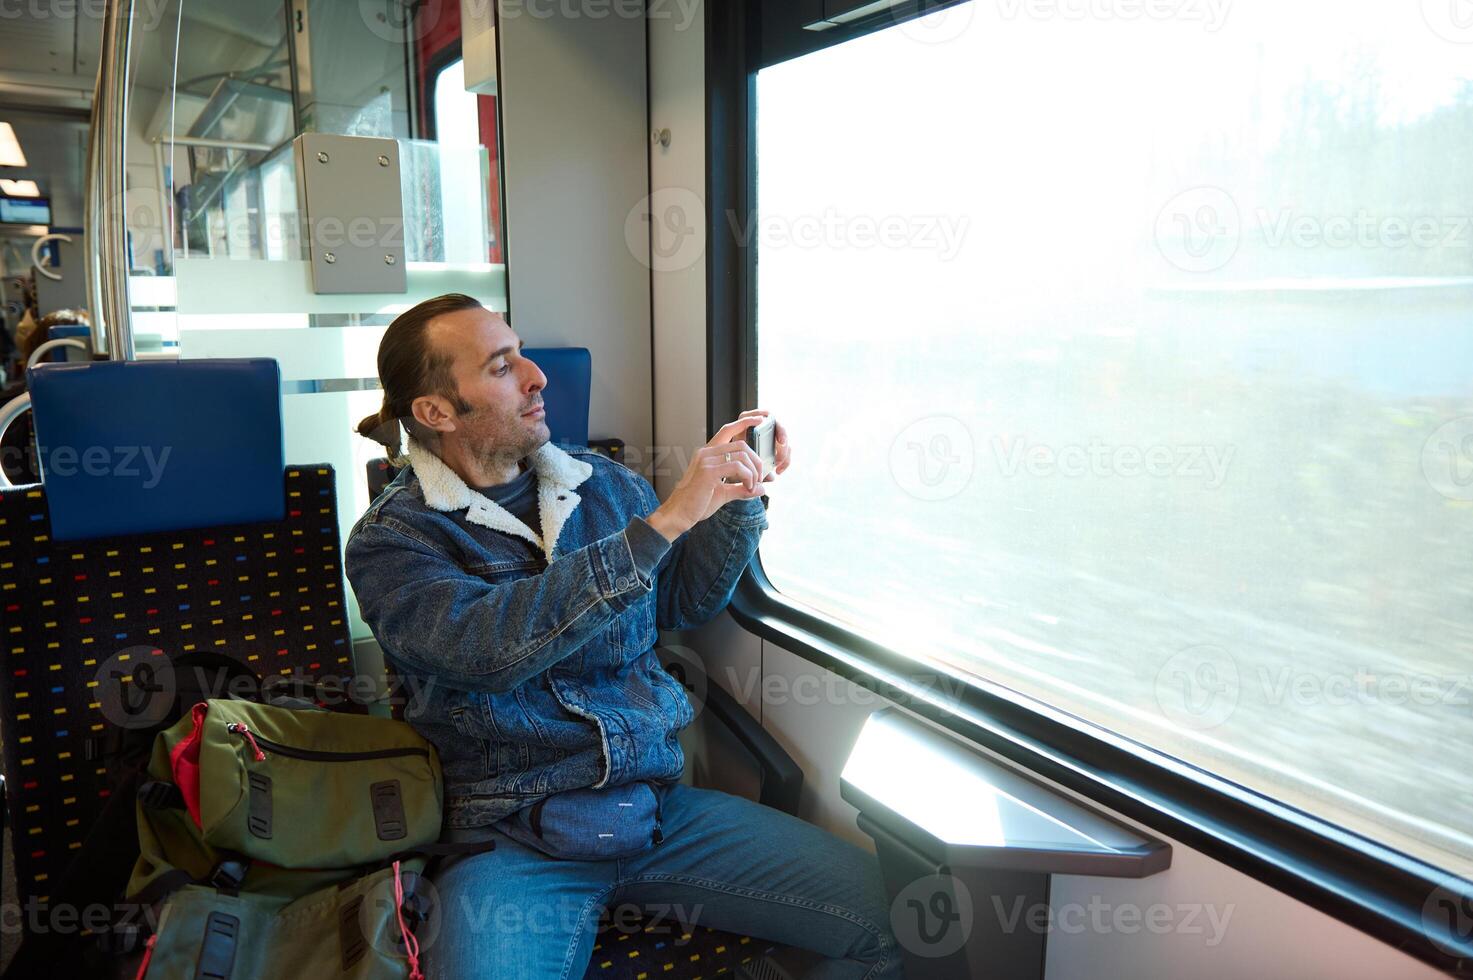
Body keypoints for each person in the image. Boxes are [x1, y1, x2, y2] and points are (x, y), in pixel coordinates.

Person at [344, 294, 903, 979]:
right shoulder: (395, 542)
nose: (535, 375)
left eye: (521, 353)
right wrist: (665, 522)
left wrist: (736, 504)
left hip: (657, 811)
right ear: (436, 412)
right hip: (513, 836)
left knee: (899, 924)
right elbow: (484, 651)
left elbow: (677, 603)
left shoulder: (603, 485)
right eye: (500, 366)